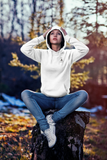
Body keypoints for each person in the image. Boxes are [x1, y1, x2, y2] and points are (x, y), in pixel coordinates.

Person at [20, 25, 89, 148]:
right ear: (48, 37)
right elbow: (25, 49)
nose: (55, 35)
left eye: (58, 33)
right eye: (52, 33)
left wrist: (68, 37)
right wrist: (41, 37)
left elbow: (84, 49)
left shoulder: (69, 55)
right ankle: (45, 127)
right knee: (25, 94)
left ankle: (53, 119)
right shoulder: (42, 54)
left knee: (83, 94)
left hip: (63, 99)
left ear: (62, 38)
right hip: (45, 99)